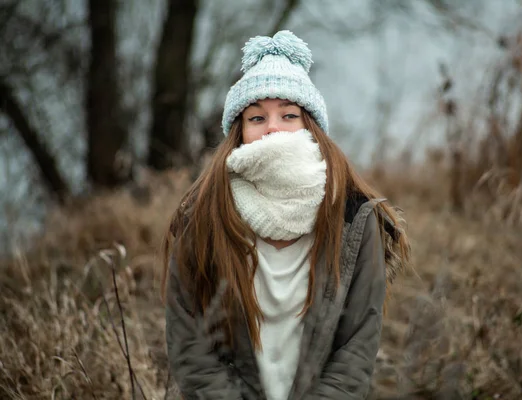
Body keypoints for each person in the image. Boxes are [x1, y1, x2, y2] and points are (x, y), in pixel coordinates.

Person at [161, 30, 410, 400]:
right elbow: (190, 347)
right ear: (240, 133)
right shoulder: (203, 216)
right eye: (257, 118)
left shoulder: (355, 219)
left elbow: (356, 349)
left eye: (288, 115)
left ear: (311, 128)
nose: (273, 127)